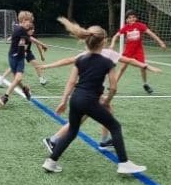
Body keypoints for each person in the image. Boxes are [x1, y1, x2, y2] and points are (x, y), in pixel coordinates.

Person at [42, 17, 147, 175]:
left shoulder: (80, 59)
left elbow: (71, 82)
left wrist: (63, 101)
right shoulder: (107, 62)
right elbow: (113, 87)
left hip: (76, 99)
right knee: (115, 126)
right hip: (90, 101)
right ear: (104, 42)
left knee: (72, 131)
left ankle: (50, 162)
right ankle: (124, 163)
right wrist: (107, 101)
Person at [39, 45, 161, 152]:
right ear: (103, 42)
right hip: (91, 94)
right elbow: (129, 61)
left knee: (106, 112)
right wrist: (147, 66)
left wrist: (47, 66)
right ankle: (53, 140)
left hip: (91, 93)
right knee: (80, 121)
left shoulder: (89, 54)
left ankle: (104, 141)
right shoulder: (106, 53)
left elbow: (68, 60)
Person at [0, 11, 48, 107]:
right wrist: (42, 44)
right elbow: (30, 39)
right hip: (12, 57)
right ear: (24, 20)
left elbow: (30, 38)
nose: (30, 24)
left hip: (20, 58)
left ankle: (4, 97)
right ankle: (25, 89)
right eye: (29, 21)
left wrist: (42, 45)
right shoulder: (20, 29)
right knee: (18, 80)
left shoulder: (22, 29)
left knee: (18, 78)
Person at [114, 10, 167, 93]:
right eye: (129, 18)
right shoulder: (125, 27)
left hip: (138, 51)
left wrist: (161, 42)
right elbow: (116, 36)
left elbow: (151, 33)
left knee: (142, 67)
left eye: (133, 17)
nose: (132, 19)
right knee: (122, 68)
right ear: (126, 20)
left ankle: (145, 84)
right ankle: (114, 85)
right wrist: (112, 44)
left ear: (136, 18)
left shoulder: (140, 26)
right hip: (128, 52)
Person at [0, 22, 49, 87]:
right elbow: (23, 46)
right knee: (13, 67)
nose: (33, 30)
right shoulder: (23, 35)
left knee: (36, 64)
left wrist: (41, 55)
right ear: (27, 30)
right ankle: (1, 79)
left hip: (28, 51)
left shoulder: (31, 35)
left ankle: (41, 79)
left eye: (33, 29)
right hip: (20, 51)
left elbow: (37, 44)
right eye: (31, 29)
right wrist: (11, 38)